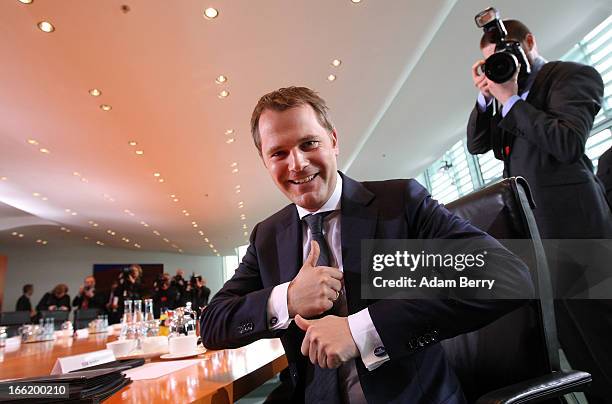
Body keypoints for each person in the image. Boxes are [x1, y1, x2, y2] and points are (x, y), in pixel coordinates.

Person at [200, 86, 533, 403]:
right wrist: (287, 299)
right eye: (279, 153)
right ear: (265, 161)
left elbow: (506, 275)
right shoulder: (267, 236)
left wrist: (360, 330)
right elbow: (213, 323)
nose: (297, 163)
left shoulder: (401, 203)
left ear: (333, 141)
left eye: (309, 143)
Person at [466, 19, 612, 402]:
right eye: (492, 61)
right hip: (535, 240)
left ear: (529, 41)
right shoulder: (504, 95)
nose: (504, 63)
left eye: (509, 51)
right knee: (574, 346)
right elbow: (479, 145)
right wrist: (487, 97)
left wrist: (512, 99)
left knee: (603, 331)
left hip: (576, 229)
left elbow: (566, 143)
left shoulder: (573, 76)